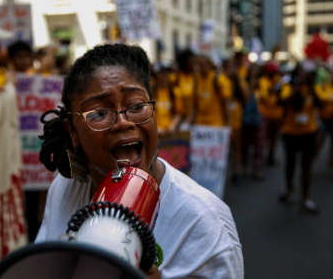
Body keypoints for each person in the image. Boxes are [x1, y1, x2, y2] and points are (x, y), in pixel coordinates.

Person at [35, 44, 244, 278]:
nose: (123, 122)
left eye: (136, 106)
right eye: (99, 114)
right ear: (72, 131)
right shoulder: (64, 188)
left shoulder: (203, 223)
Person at [279, 63, 320, 214]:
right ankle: (289, 189)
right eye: (301, 72)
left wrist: (310, 88)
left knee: (306, 166)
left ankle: (305, 197)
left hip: (308, 133)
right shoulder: (288, 85)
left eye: (307, 73)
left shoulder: (311, 89)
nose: (304, 75)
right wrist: (295, 88)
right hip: (290, 132)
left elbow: (319, 104)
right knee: (290, 164)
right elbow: (283, 101)